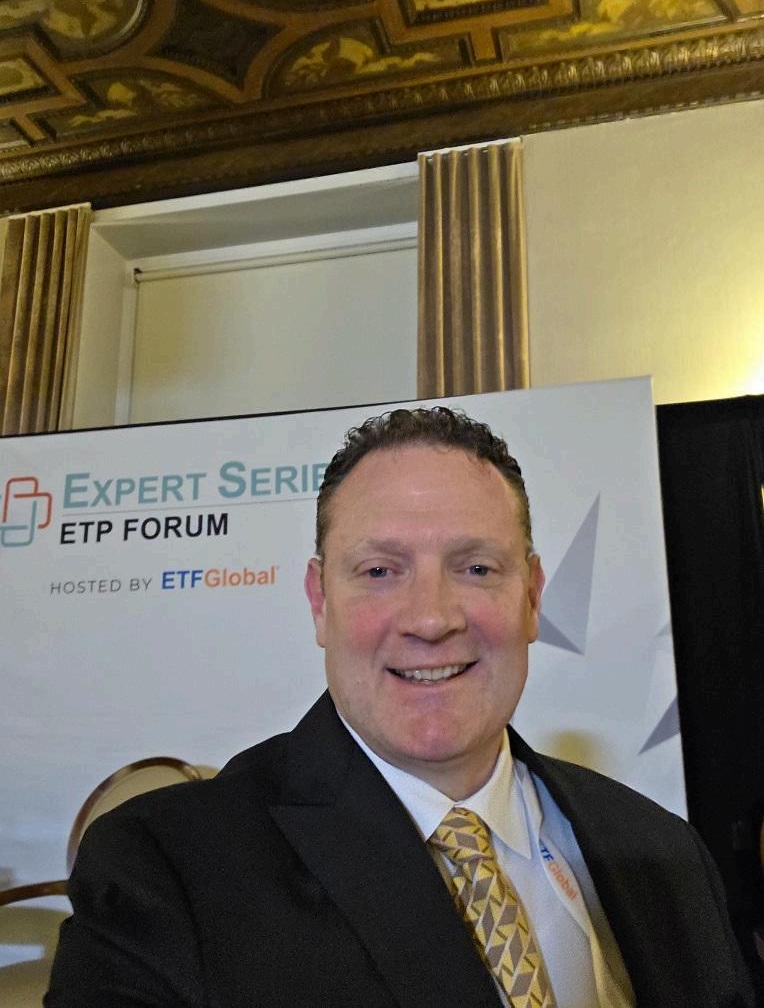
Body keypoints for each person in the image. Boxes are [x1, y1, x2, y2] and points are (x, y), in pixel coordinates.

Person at [46, 407, 754, 1007]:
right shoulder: (164, 868)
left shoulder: (667, 853)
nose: (431, 618)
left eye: (476, 567)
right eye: (380, 571)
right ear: (320, 602)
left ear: (533, 596)